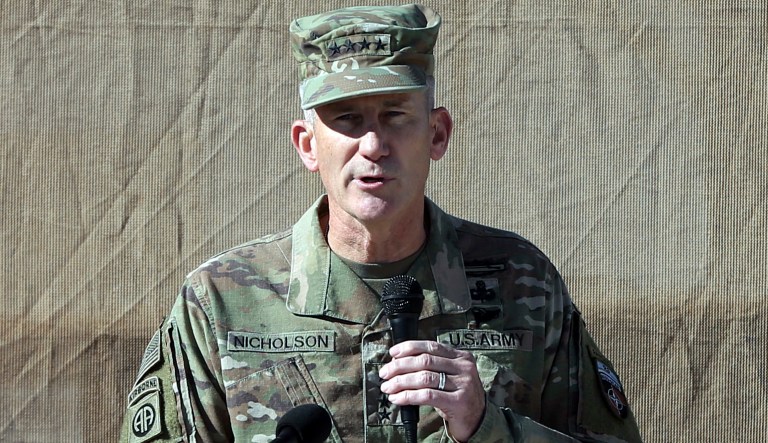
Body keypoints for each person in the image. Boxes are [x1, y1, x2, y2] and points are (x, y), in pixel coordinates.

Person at [120, 4, 643, 443]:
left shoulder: (520, 281)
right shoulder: (222, 302)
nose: (373, 145)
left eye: (395, 115)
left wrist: (485, 428)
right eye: (347, 119)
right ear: (307, 145)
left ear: (437, 134)